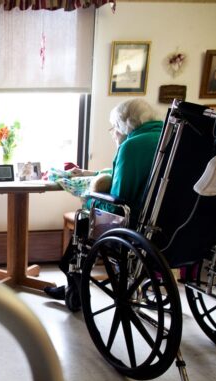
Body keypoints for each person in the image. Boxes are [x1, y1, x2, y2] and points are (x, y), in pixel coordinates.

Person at [44, 99, 163, 305]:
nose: (113, 133)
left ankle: (75, 287)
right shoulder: (167, 137)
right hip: (170, 227)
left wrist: (90, 198)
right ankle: (74, 286)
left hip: (135, 228)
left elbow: (118, 202)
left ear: (123, 125)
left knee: (83, 220)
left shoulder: (131, 146)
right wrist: (92, 173)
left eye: (113, 128)